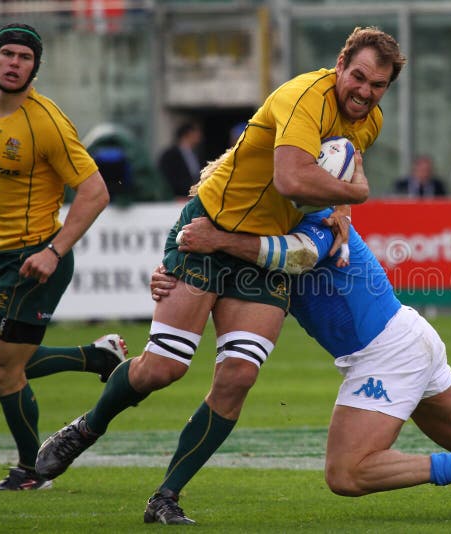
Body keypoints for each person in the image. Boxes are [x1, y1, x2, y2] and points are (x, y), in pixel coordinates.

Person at [35, 26, 407, 524]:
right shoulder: (303, 97)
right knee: (164, 367)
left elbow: (330, 188)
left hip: (259, 256)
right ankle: (87, 427)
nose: (365, 91)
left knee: (238, 375)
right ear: (340, 65)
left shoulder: (369, 121)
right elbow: (293, 178)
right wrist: (357, 194)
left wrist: (341, 207)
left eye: (378, 85)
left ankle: (166, 497)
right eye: (358, 76)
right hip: (209, 232)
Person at [148, 209, 451, 517]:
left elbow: (294, 257)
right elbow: (217, 269)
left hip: (385, 352)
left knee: (347, 473)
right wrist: (169, 277)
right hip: (408, 336)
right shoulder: (270, 221)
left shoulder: (318, 215)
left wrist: (214, 241)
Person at [0, 23, 128, 491]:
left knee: (2, 370)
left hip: (38, 259)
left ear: (34, 68)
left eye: (24, 57)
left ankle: (30, 471)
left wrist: (54, 250)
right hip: (0, 257)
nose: (14, 63)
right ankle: (96, 356)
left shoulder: (47, 122)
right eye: (8, 55)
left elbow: (95, 191)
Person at [158, 122, 203, 200]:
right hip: (177, 199)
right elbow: (165, 178)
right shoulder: (170, 155)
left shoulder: (197, 154)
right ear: (188, 134)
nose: (199, 136)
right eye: (196, 133)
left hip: (194, 198)